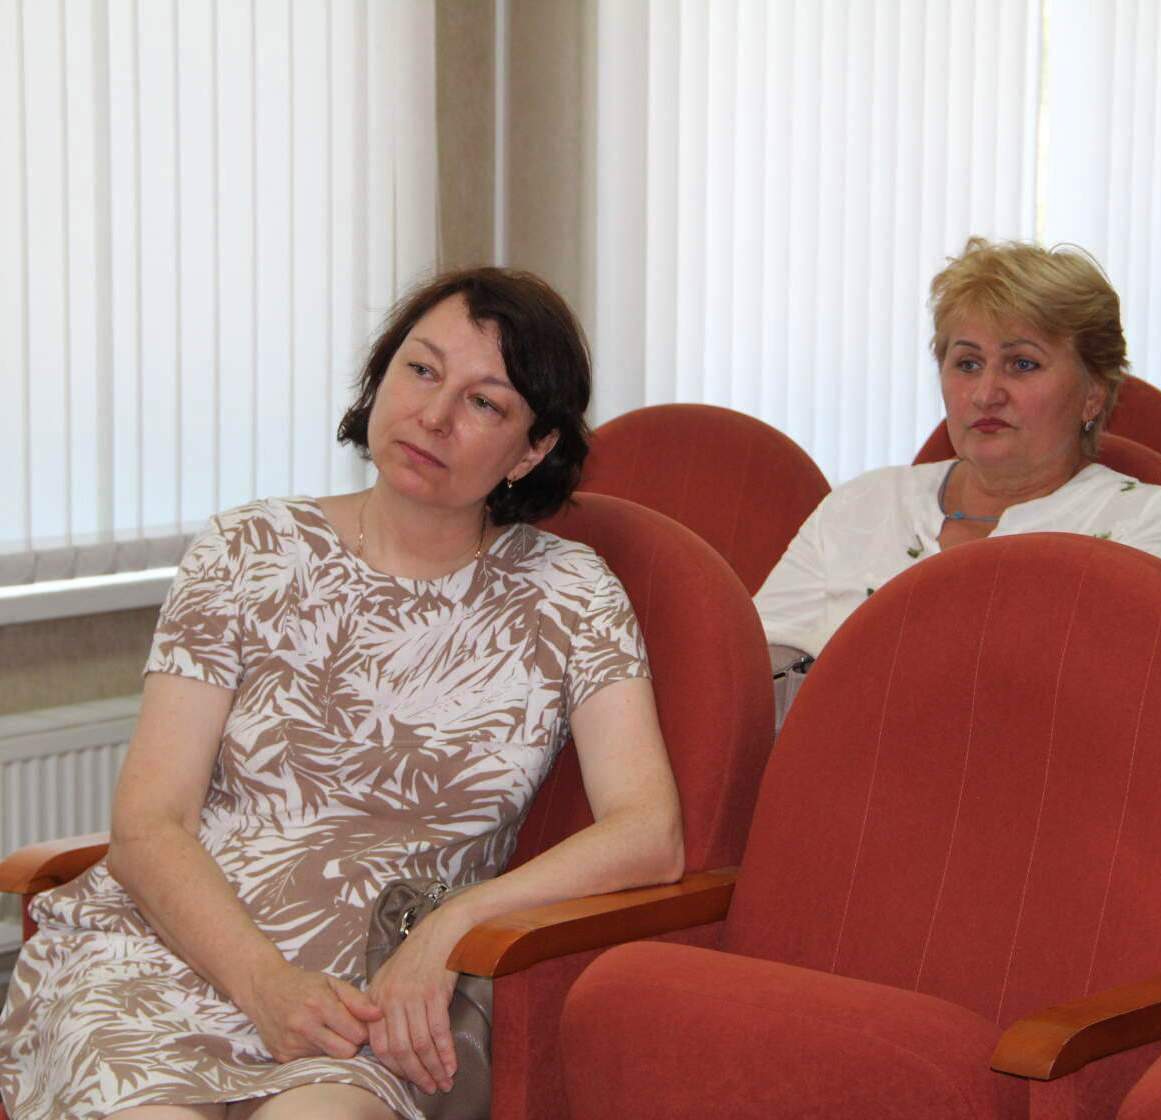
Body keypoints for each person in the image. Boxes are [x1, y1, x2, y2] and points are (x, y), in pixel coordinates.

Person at [0, 269, 684, 1120]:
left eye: (484, 402)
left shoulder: (569, 593)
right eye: (421, 370)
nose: (434, 415)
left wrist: (452, 926)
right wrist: (262, 982)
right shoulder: (248, 549)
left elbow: (649, 833)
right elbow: (149, 822)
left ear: (532, 450)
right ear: (380, 375)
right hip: (173, 950)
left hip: (381, 995)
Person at [758, 237, 1161, 716]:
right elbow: (752, 674)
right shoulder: (861, 505)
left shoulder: (1143, 524)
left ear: (1093, 394)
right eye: (968, 364)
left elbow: (1142, 715)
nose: (985, 393)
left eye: (1023, 364)